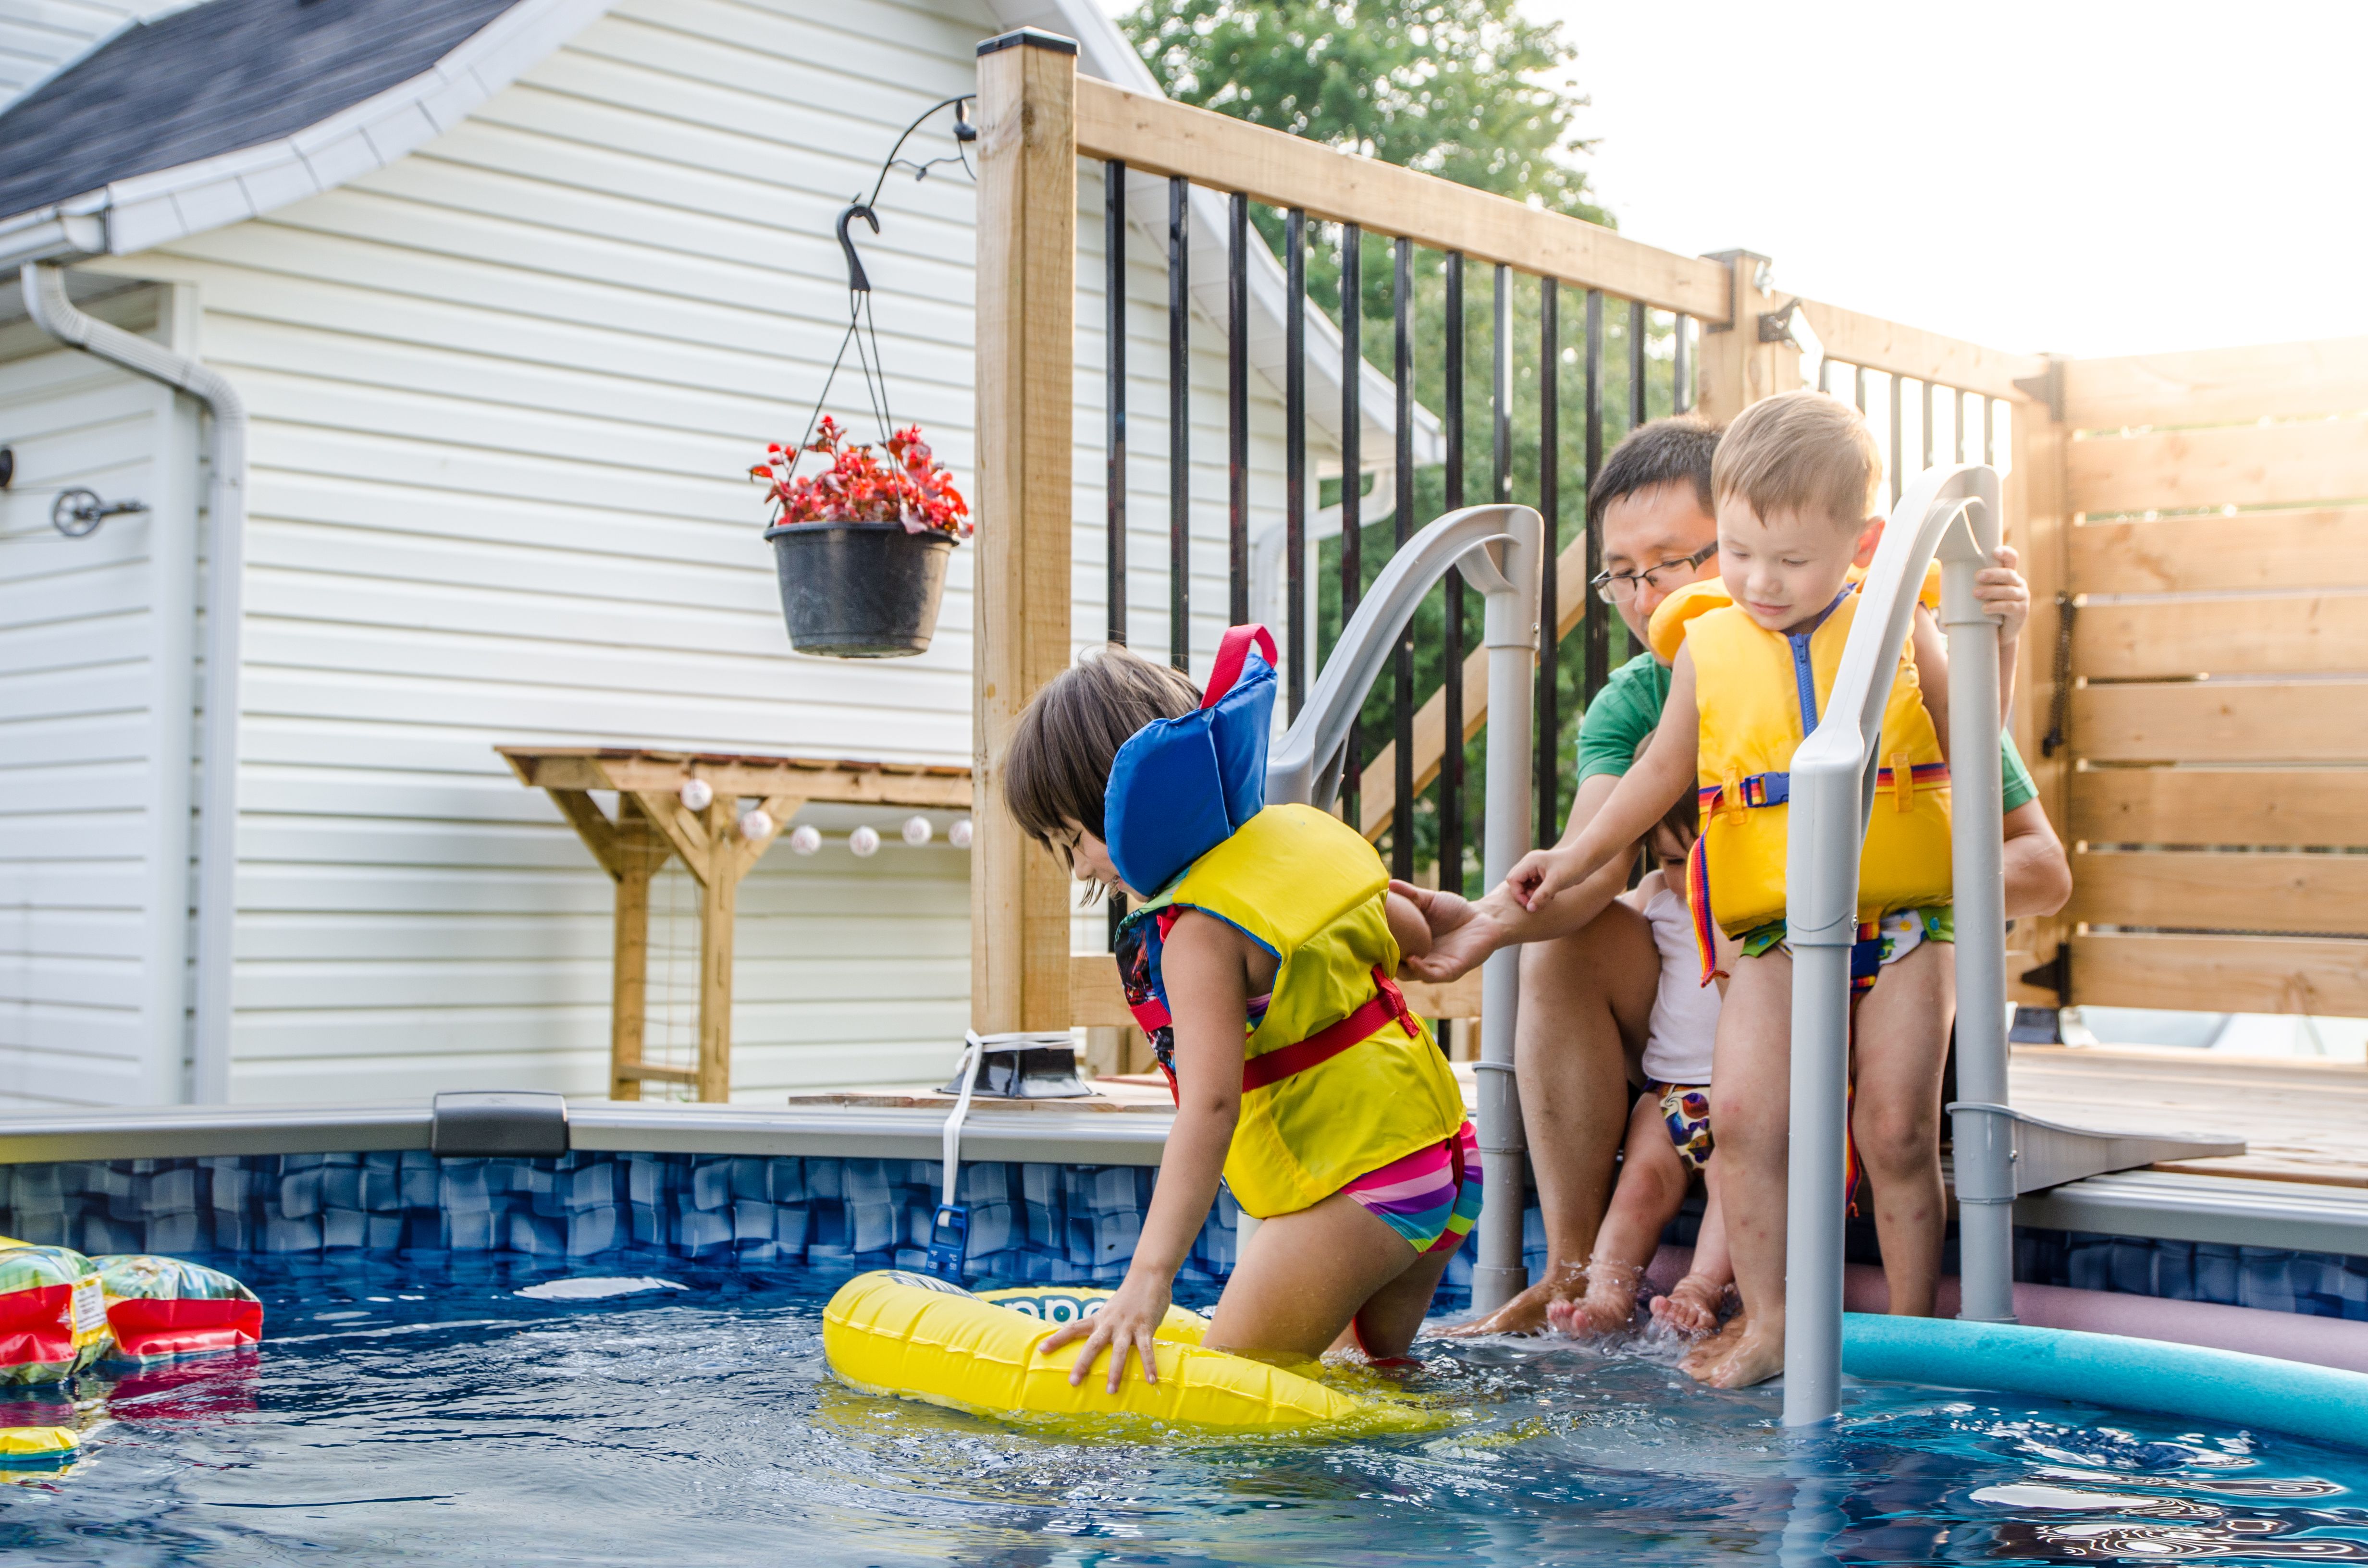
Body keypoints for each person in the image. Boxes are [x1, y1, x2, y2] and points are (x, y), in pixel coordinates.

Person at [1404, 415, 2071, 1338]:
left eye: (1673, 562)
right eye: (1621, 573)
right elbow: (1609, 834)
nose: (1645, 596)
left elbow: (2025, 841)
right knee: (1681, 1062)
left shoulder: (1891, 637)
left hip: (1892, 958)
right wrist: (1503, 907)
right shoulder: (1668, 678)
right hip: (1753, 967)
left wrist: (1865, 874)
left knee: (1886, 1126)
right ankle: (1598, 1278)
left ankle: (1897, 1330)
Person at [1001, 630, 1478, 1391]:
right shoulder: (1298, 840)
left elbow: (1212, 1106)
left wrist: (1147, 1280)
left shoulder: (1198, 932)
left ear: (1128, 804)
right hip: (1441, 1158)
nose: (1079, 864)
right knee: (1368, 1384)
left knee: (1228, 1405)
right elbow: (1412, 940)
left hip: (1359, 1188)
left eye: (1074, 838)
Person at [1545, 779, 1737, 1339]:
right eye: (1673, 861)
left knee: (1732, 1180)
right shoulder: (1656, 893)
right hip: (1668, 1095)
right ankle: (1607, 1291)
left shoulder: (1761, 906)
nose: (1689, 876)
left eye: (1704, 857)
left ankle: (1700, 1287)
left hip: (1742, 1095)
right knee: (1638, 1187)